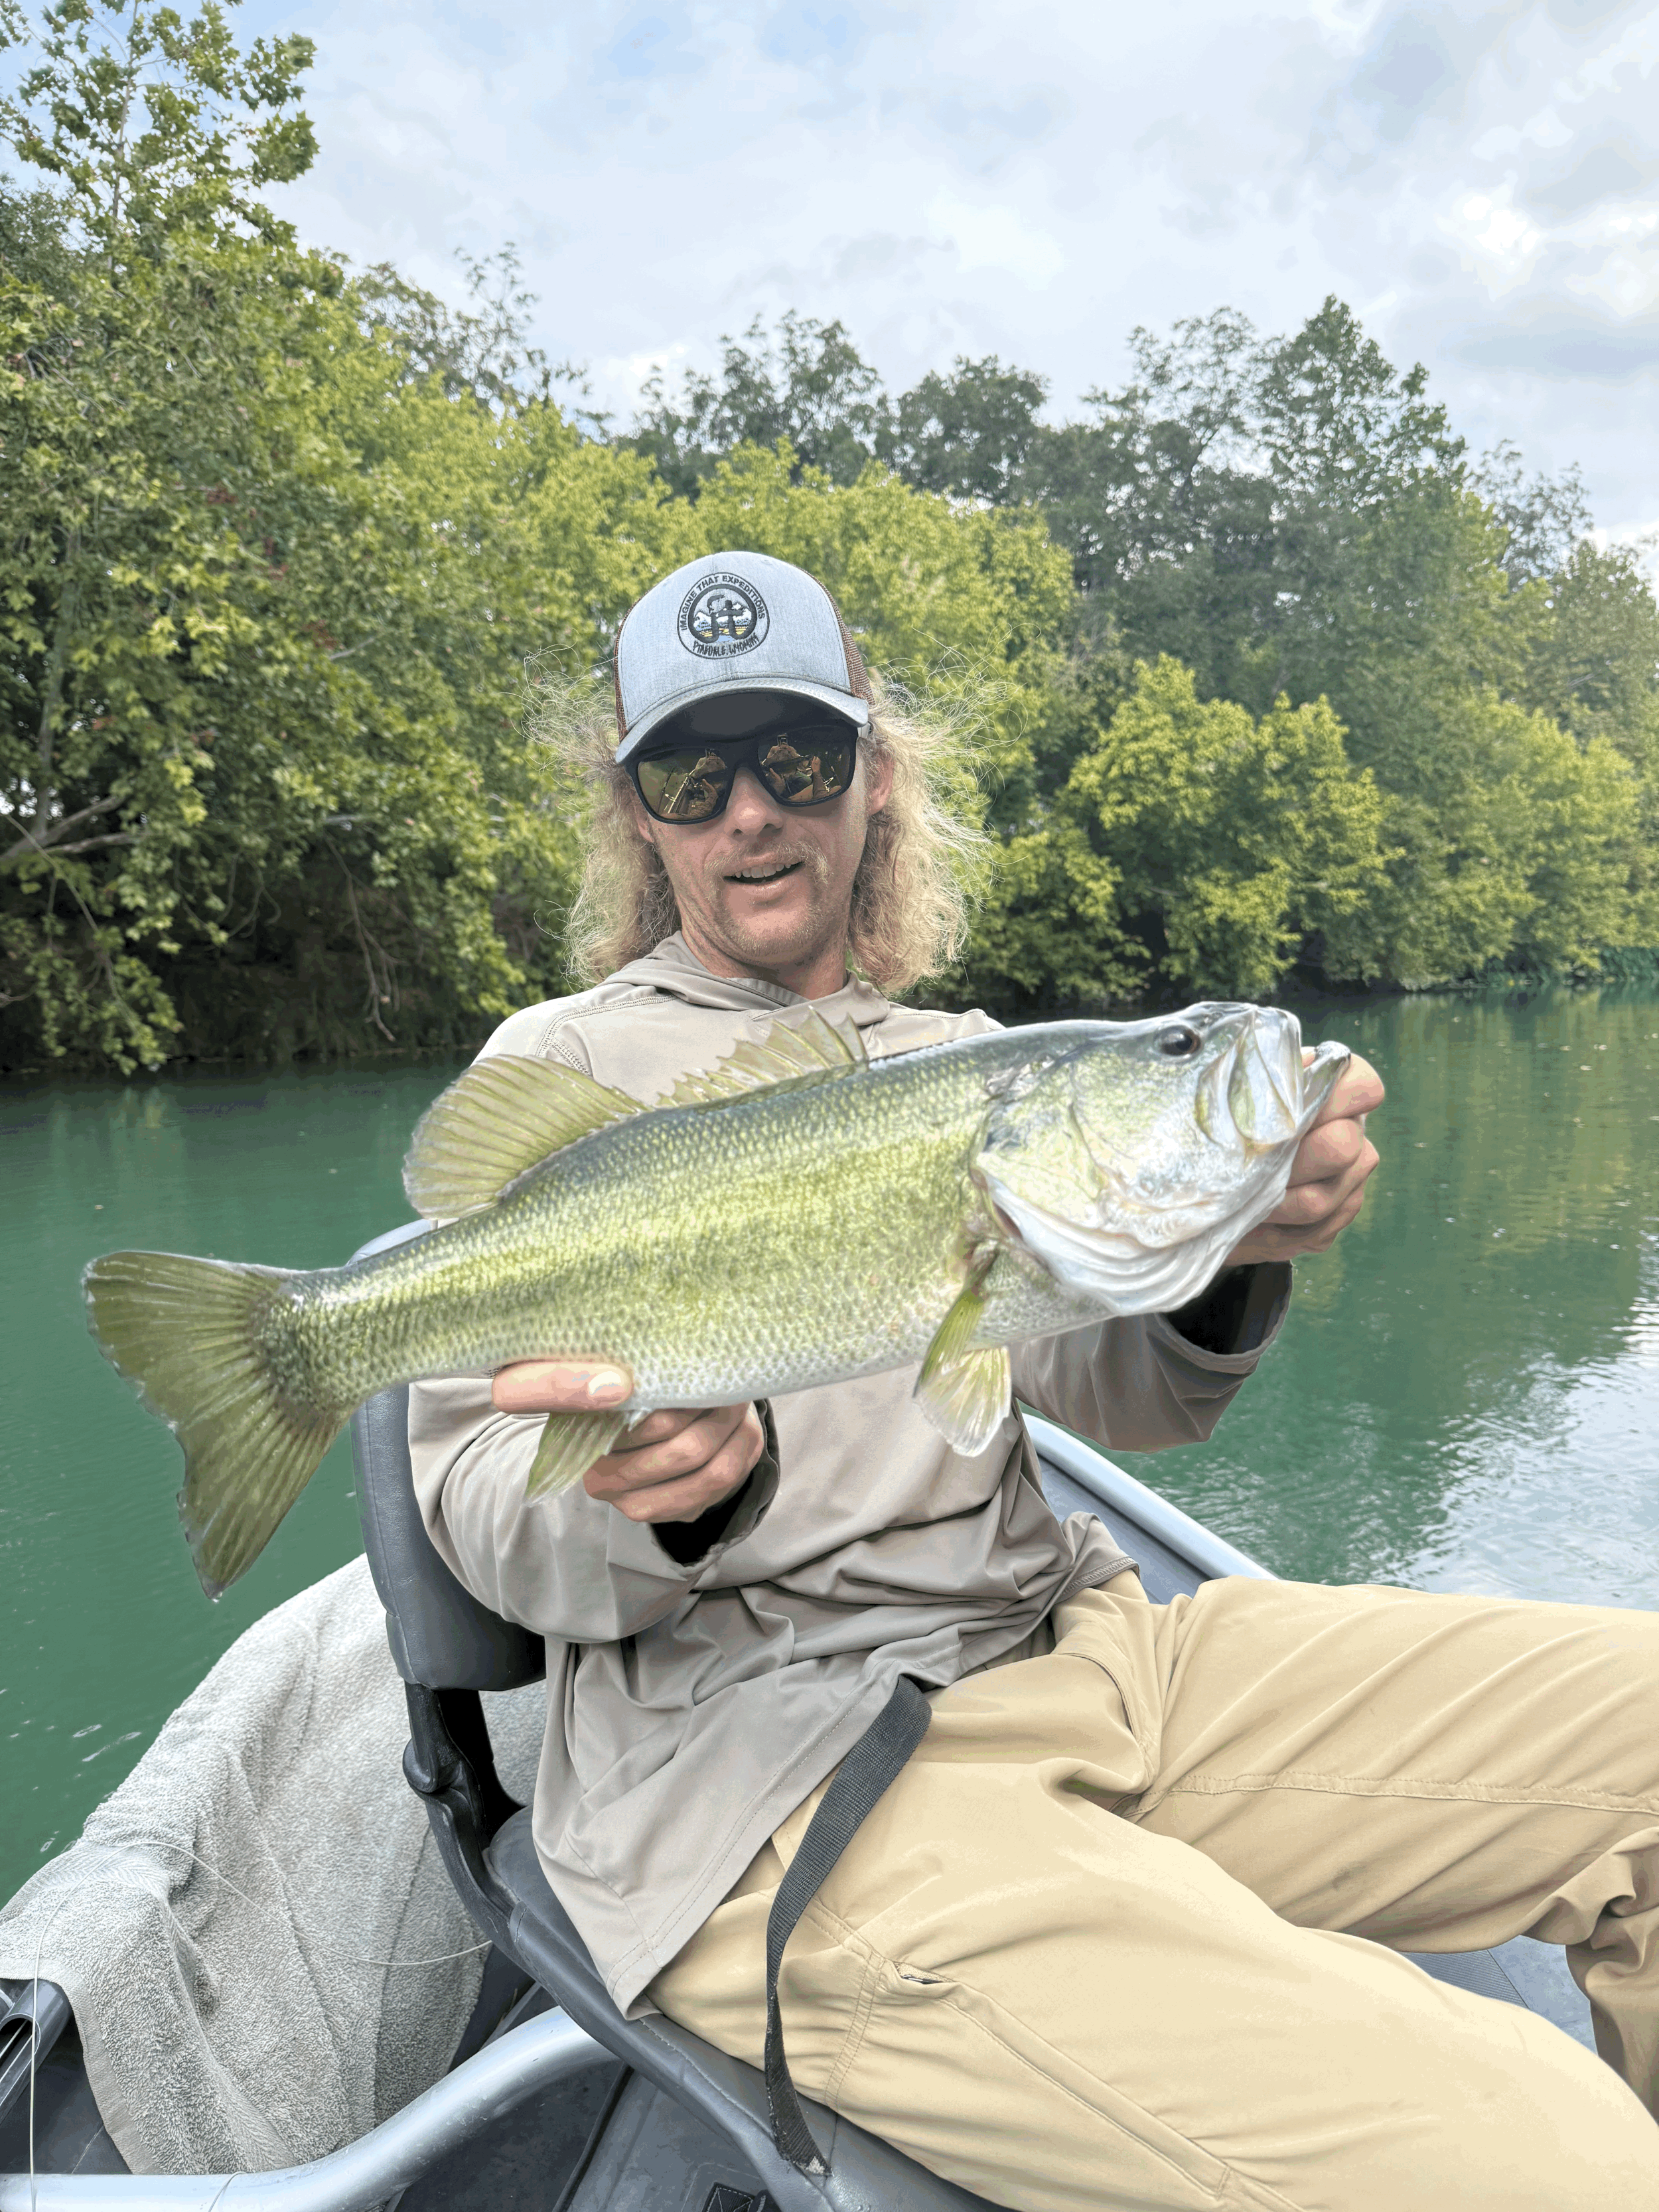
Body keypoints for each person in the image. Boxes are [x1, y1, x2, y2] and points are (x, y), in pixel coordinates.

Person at [409, 550, 1659, 2210]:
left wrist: (1234, 1239)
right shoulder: (558, 1071)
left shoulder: (970, 1063)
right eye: (688, 774)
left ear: (870, 780)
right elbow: (484, 1517)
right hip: (780, 1780)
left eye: (792, 757)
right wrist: (670, 1507)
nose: (748, 816)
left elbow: (1118, 1387)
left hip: (1086, 1651)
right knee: (1558, 2169)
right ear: (638, 816)